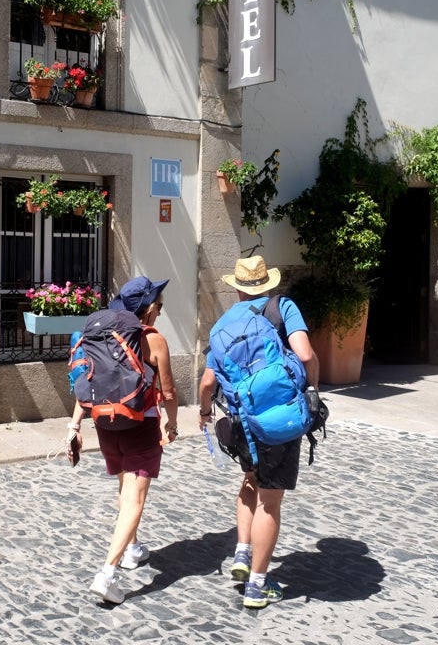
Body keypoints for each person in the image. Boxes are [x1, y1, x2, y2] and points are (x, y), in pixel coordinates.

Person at [198, 256, 319, 608]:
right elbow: (306, 353)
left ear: (236, 287)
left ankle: (241, 552)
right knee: (271, 499)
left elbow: (208, 382)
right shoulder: (282, 307)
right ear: (267, 283)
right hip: (279, 419)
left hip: (243, 423)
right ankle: (258, 584)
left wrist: (205, 414)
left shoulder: (221, 325)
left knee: (250, 480)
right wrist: (311, 389)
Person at [68, 276, 179, 604]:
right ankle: (107, 574)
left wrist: (74, 426)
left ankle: (131, 548)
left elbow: (85, 381)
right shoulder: (152, 339)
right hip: (140, 427)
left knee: (123, 486)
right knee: (135, 499)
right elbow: (169, 391)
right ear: (146, 309)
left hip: (106, 425)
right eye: (158, 306)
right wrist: (171, 423)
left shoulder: (100, 336)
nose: (160, 312)